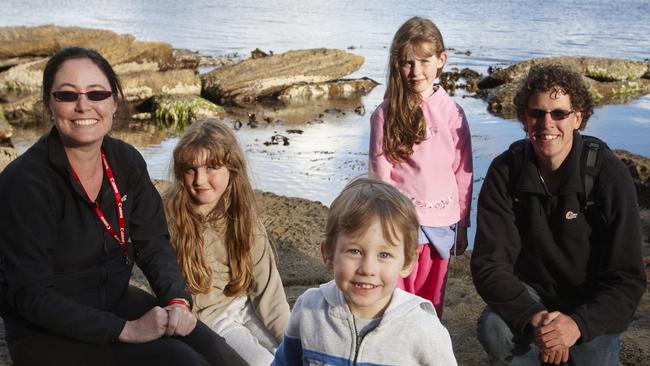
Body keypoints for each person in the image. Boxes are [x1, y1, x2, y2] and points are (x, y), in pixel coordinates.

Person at [0, 47, 246, 366]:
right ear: (49, 104)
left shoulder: (125, 161)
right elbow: (32, 297)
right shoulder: (24, 183)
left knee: (222, 355)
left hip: (114, 299)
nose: (83, 105)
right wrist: (126, 330)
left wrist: (177, 300)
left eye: (97, 93)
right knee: (182, 361)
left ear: (114, 102)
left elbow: (153, 243)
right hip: (47, 329)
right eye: (67, 95)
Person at [471, 63, 646, 365]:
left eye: (559, 113)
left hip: (591, 299)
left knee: (592, 357)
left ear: (578, 118)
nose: (546, 123)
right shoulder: (505, 172)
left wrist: (576, 325)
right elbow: (489, 264)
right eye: (536, 113)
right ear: (524, 119)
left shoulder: (608, 174)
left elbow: (627, 278)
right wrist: (536, 318)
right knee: (494, 329)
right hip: (532, 295)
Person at [272, 177, 457, 365]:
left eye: (384, 255)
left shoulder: (423, 329)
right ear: (328, 253)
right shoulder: (309, 309)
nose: (368, 269)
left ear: (407, 261)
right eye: (355, 251)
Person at [368, 16, 473, 318]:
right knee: (397, 300)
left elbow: (463, 173)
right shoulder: (385, 114)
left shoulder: (453, 113)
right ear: (396, 64)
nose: (416, 72)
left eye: (425, 61)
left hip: (443, 222)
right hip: (403, 225)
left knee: (431, 302)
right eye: (407, 63)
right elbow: (381, 174)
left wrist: (463, 224)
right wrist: (385, 223)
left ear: (441, 60)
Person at [163, 119, 290, 366]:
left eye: (211, 167)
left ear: (232, 168)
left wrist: (296, 341)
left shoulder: (245, 217)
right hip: (211, 318)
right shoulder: (170, 218)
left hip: (246, 303)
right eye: (190, 169)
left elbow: (269, 295)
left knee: (295, 354)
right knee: (264, 363)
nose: (200, 180)